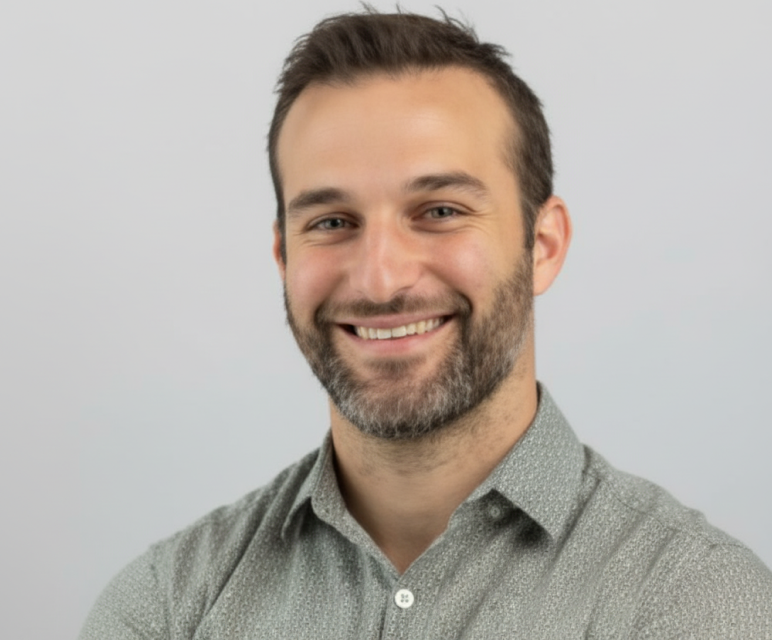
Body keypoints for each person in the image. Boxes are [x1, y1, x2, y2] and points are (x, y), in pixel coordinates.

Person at [79, 8, 772, 639]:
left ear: (544, 245)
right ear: (283, 255)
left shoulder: (695, 606)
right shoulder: (167, 610)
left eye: (439, 210)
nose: (381, 278)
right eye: (331, 222)